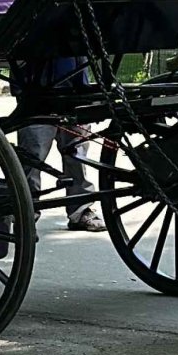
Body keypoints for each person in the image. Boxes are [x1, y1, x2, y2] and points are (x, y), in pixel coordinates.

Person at [12, 57, 106, 232]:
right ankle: (26, 213)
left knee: (78, 153)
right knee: (32, 156)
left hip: (74, 90)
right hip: (35, 92)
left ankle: (81, 209)